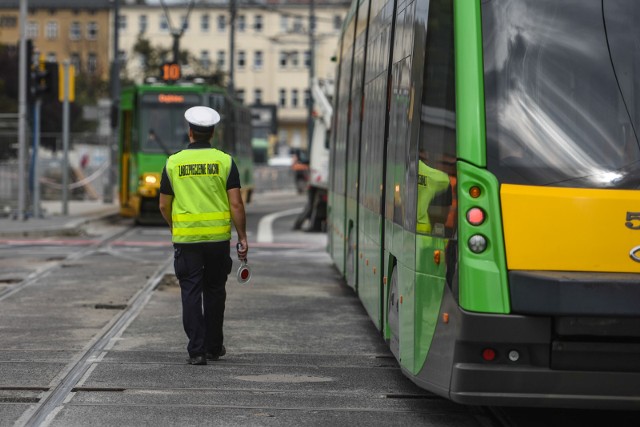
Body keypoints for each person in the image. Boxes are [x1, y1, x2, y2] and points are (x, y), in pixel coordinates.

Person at [159, 106, 248, 366]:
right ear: (212, 133)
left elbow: (164, 205)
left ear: (190, 132)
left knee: (190, 291)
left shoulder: (173, 162)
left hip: (186, 241)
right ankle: (213, 346)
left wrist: (176, 228)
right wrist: (242, 236)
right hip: (218, 240)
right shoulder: (225, 161)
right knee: (214, 291)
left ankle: (196, 351)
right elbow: (236, 205)